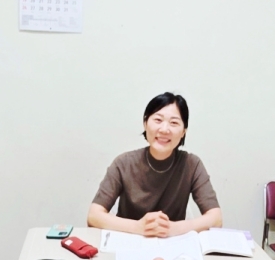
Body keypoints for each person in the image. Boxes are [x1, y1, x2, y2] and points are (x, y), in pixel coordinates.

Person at [88, 92, 222, 237]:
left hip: (172, 245)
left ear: (183, 131)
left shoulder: (192, 165)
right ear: (145, 123)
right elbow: (94, 216)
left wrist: (174, 228)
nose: (164, 129)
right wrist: (138, 227)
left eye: (174, 123)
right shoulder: (124, 163)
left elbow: (216, 219)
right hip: (128, 241)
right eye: (158, 120)